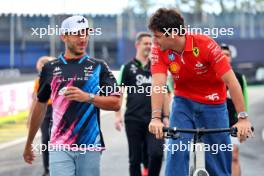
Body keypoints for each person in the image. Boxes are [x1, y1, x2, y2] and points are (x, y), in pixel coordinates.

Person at [147, 8, 253, 176]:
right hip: (183, 103)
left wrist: (243, 119)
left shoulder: (205, 44)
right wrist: (155, 117)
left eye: (157, 36)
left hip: (214, 105)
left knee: (218, 159)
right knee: (176, 149)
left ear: (172, 34)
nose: (154, 40)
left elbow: (232, 83)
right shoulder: (158, 48)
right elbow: (158, 83)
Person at [23, 15, 120, 176]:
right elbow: (40, 107)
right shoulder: (50, 68)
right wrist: (29, 143)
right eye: (77, 33)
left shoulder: (99, 66)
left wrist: (88, 97)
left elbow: (116, 103)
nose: (83, 38)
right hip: (59, 145)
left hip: (89, 145)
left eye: (86, 33)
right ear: (64, 36)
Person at [115, 32, 169, 176]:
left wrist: (166, 116)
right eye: (146, 43)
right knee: (135, 158)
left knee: (157, 153)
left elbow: (165, 92)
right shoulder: (127, 67)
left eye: (151, 44)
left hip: (155, 119)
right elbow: (119, 92)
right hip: (133, 118)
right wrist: (117, 115)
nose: (149, 46)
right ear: (137, 45)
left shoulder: (158, 67)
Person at [221, 43, 248, 176]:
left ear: (231, 57)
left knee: (234, 156)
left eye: (227, 55)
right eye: (222, 55)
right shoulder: (211, 76)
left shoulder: (238, 77)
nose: (225, 57)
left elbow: (245, 102)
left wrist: (245, 123)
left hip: (233, 124)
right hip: (214, 125)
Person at [27, 56, 55, 176]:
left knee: (58, 139)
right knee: (45, 140)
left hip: (57, 109)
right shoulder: (38, 81)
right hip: (44, 110)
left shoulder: (58, 78)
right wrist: (30, 117)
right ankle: (47, 169)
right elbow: (35, 100)